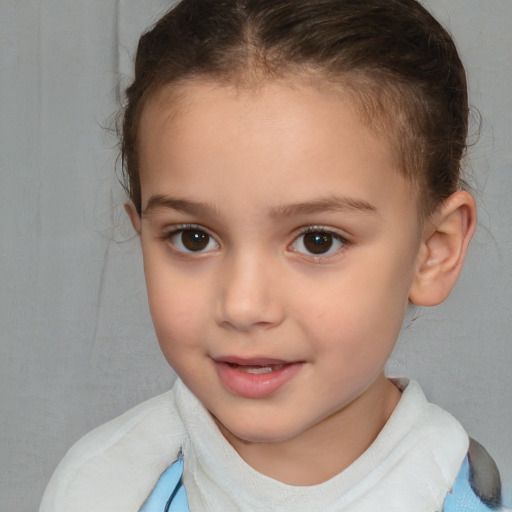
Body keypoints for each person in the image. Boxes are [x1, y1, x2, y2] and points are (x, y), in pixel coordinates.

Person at [39, 0, 509, 510]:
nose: (243, 306)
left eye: (317, 241)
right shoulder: (101, 487)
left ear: (432, 252)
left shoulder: (460, 496)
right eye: (193, 238)